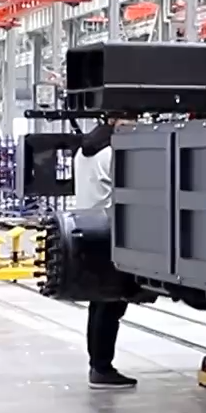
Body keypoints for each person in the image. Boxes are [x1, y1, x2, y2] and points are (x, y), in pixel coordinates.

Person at [74, 115, 136, 390]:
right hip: (110, 233)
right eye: (130, 119)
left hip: (88, 228)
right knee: (111, 304)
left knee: (99, 303)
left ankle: (97, 365)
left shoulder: (84, 150)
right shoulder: (113, 153)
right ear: (113, 120)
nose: (135, 125)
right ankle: (102, 368)